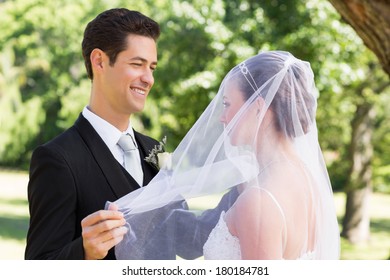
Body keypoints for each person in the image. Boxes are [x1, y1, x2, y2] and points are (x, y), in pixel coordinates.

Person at [112, 50, 340, 259]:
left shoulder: (259, 201)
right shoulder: (307, 180)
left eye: (228, 104)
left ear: (259, 108)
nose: (222, 117)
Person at [25, 8, 161, 260]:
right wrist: (85, 252)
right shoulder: (57, 159)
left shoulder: (155, 150)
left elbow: (184, 236)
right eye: (137, 64)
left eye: (152, 67)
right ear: (99, 61)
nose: (148, 78)